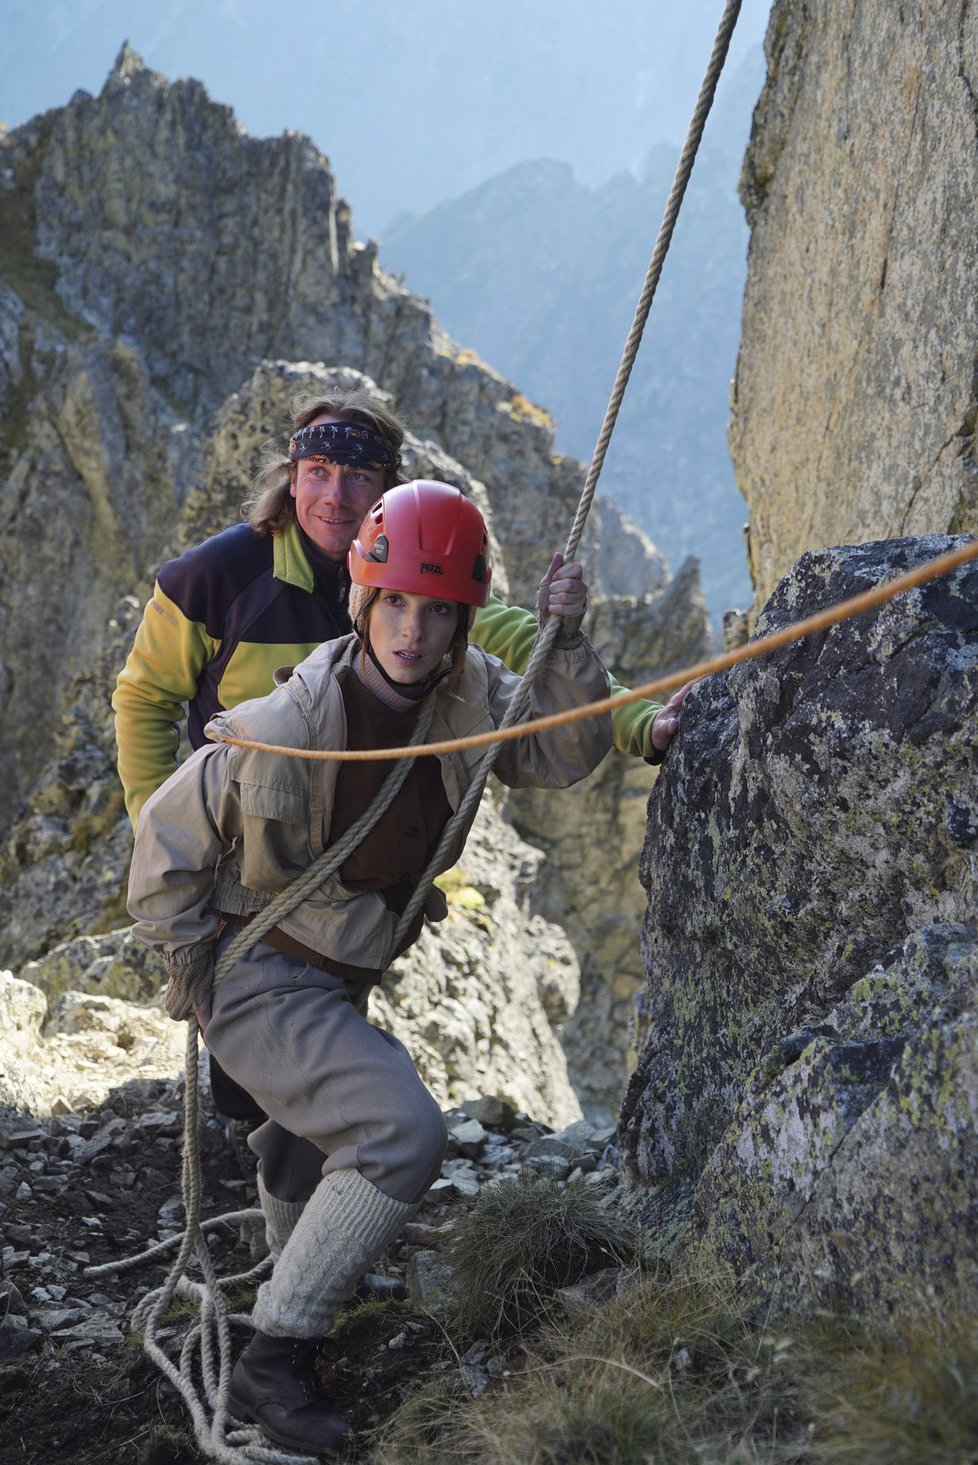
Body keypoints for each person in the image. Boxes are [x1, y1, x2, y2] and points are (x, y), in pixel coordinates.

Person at [126, 481, 615, 1455]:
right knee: (399, 1130)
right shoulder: (287, 724)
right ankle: (275, 1357)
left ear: (463, 622)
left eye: (439, 611)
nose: (414, 630)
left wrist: (566, 645)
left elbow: (561, 754)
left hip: (340, 969)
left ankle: (295, 1265)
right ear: (361, 604)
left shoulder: (468, 695)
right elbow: (165, 844)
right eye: (395, 602)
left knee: (311, 1138)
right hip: (259, 970)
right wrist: (193, 969)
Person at [112, 385, 688, 1126]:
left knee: (312, 1046)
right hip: (245, 857)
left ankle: (293, 1180)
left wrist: (640, 722)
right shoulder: (216, 579)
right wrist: (160, 822)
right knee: (251, 1081)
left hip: (356, 874)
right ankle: (279, 1170)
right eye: (317, 470)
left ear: (387, 491)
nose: (334, 494)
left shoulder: (406, 586)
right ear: (290, 477)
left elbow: (524, 648)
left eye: (359, 477)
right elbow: (144, 697)